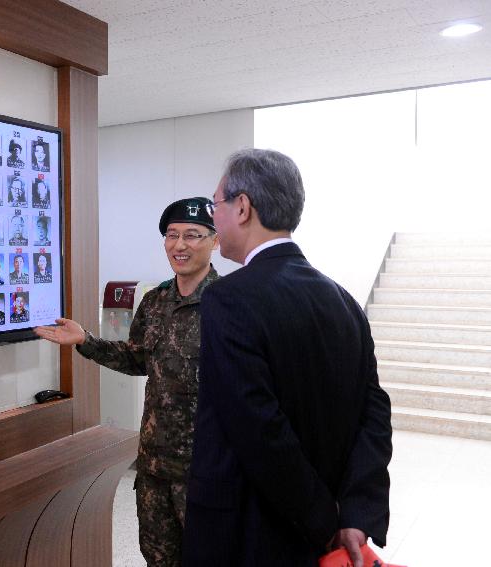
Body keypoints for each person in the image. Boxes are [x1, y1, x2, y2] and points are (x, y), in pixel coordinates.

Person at [182, 149, 392, 566]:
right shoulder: (344, 301)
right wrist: (354, 511)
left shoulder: (229, 298)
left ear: (242, 207)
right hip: (322, 531)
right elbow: (375, 414)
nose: (213, 219)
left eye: (215, 205)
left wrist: (324, 521)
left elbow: (258, 428)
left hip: (248, 535)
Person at [34, 197, 221, 566]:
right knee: (157, 558)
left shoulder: (229, 303)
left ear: (215, 241)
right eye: (172, 235)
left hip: (205, 472)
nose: (179, 245)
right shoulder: (154, 302)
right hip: (154, 470)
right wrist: (86, 341)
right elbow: (137, 358)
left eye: (193, 235)